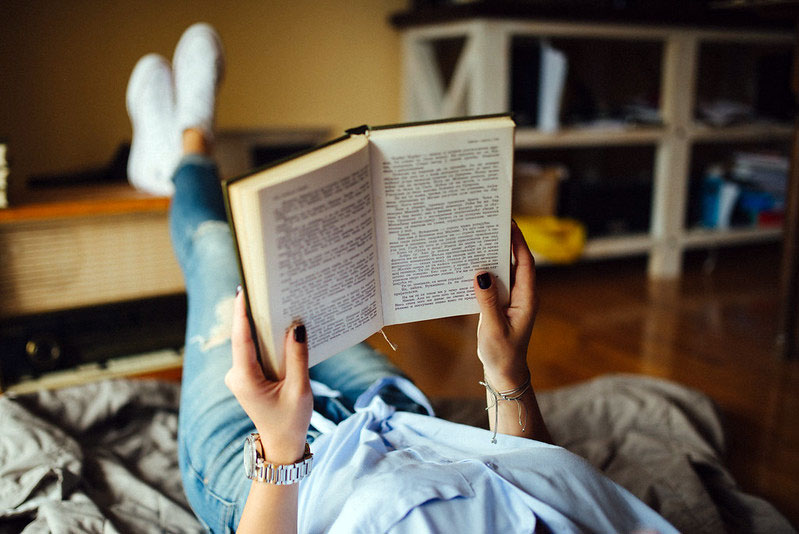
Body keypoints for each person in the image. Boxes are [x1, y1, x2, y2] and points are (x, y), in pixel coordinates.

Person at [126, 22, 677, 534]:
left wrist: (280, 444)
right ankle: (177, 147)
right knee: (286, 282)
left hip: (272, 478)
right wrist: (507, 370)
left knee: (217, 252)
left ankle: (188, 144)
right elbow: (541, 484)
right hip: (395, 414)